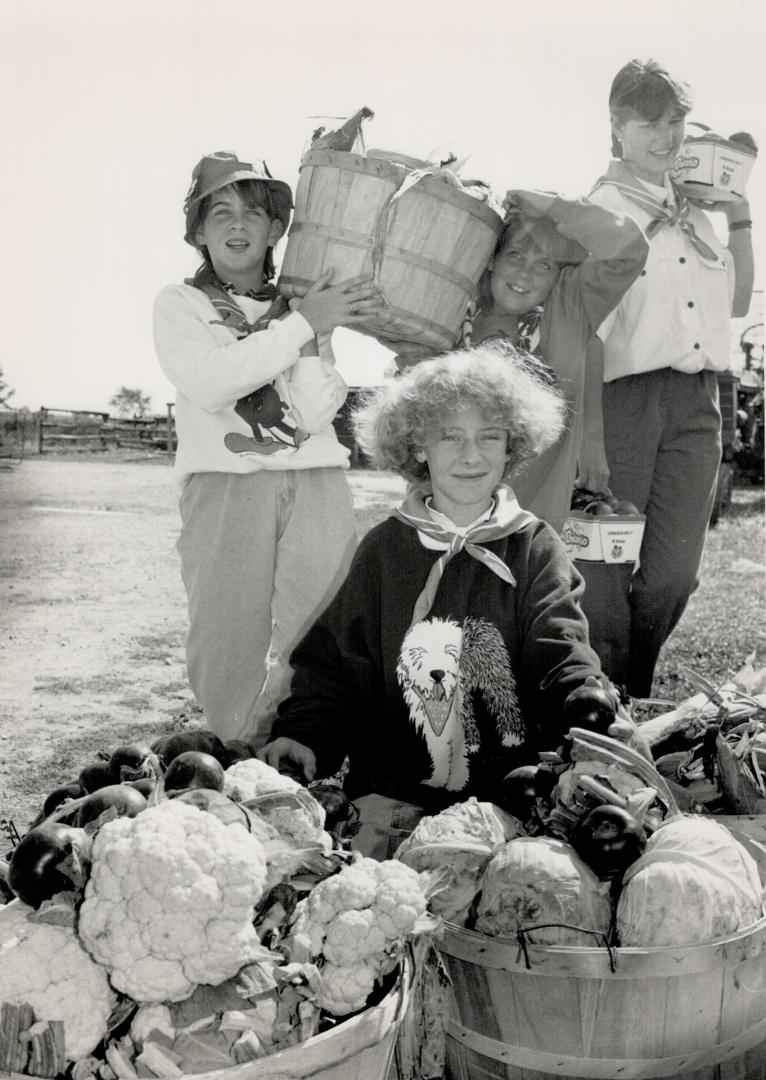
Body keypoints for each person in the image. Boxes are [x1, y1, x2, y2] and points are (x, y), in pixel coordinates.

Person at [259, 344, 621, 820]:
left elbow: (561, 649)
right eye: (450, 438)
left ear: (511, 445)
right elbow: (337, 667)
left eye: (489, 437)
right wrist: (303, 732)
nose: (471, 455)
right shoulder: (385, 548)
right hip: (390, 793)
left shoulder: (535, 547)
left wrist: (583, 705)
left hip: (509, 798)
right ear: (417, 447)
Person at [154, 151, 383, 744]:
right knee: (227, 629)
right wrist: (304, 326)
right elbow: (210, 383)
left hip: (316, 478)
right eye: (220, 213)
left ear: (277, 228)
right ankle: (230, 748)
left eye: (253, 214)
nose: (237, 226)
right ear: (198, 232)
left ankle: (302, 742)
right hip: (225, 480)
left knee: (323, 620)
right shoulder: (182, 305)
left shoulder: (299, 306)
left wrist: (309, 331)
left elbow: (313, 412)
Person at [580, 59, 755, 697]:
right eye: (650, 122)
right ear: (617, 125)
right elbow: (586, 333)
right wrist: (590, 443)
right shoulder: (598, 209)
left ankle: (633, 687)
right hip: (622, 400)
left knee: (673, 576)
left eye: (677, 121)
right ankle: (604, 708)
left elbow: (735, 305)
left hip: (697, 402)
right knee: (604, 569)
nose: (668, 136)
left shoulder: (701, 212)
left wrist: (738, 215)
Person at [458, 189, 649, 532]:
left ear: (558, 275)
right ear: (491, 260)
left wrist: (554, 206)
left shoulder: (568, 308)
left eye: (543, 265)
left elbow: (630, 248)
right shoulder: (456, 310)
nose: (524, 274)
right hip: (451, 511)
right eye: (515, 256)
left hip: (533, 522)